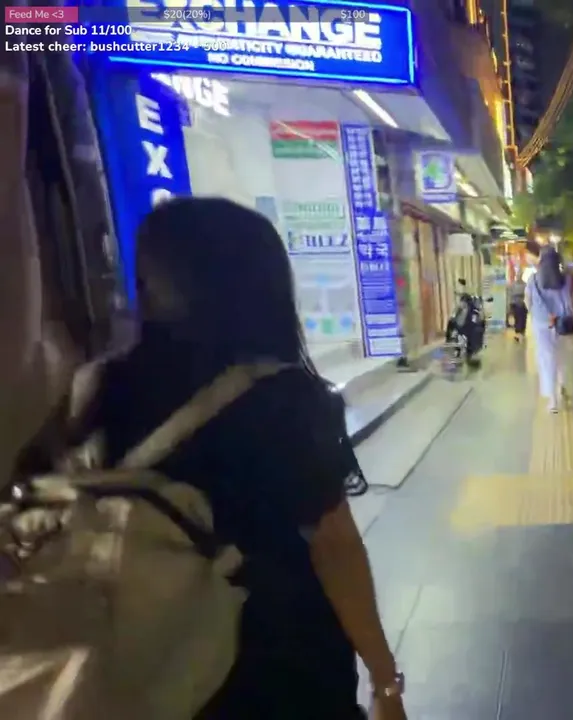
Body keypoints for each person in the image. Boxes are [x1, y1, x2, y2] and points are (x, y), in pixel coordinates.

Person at [15, 198, 406, 720]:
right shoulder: (285, 398)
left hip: (136, 667)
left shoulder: (93, 386)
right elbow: (334, 548)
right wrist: (385, 682)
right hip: (276, 666)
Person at [527, 247, 573, 413]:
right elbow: (570, 301)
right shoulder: (566, 279)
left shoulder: (533, 280)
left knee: (547, 360)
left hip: (542, 324)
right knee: (561, 357)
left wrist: (536, 313)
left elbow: (528, 302)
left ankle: (553, 401)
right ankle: (561, 385)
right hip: (562, 324)